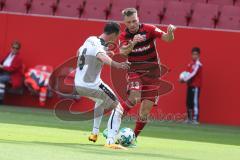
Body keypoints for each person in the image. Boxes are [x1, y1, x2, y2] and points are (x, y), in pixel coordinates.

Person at [118, 8, 176, 140]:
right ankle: (112, 128)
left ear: (138, 19)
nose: (132, 24)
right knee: (134, 98)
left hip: (153, 74)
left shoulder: (150, 29)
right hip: (135, 71)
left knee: (144, 111)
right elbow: (123, 52)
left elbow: (168, 39)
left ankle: (133, 138)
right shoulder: (124, 36)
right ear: (124, 23)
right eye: (128, 22)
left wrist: (170, 32)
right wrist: (133, 42)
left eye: (134, 21)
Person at [74, 22, 129, 149]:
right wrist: (118, 65)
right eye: (117, 35)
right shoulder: (99, 47)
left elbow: (78, 53)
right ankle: (110, 141)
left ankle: (94, 133)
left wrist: (103, 53)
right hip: (91, 85)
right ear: (114, 34)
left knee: (100, 100)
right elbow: (101, 57)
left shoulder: (90, 39)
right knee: (118, 108)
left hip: (78, 84)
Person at [180, 47, 202, 124]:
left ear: (199, 55)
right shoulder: (190, 64)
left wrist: (184, 80)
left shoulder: (198, 65)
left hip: (196, 86)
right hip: (189, 85)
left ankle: (195, 119)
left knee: (195, 102)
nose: (194, 56)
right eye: (193, 54)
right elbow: (186, 73)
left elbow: (193, 74)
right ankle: (189, 118)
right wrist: (183, 78)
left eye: (196, 54)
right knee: (188, 102)